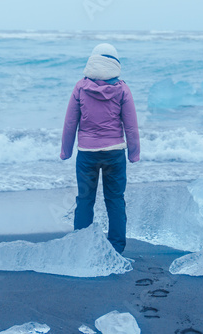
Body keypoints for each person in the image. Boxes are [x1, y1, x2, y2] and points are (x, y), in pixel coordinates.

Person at [60, 43, 140, 254]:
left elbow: (70, 122)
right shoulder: (122, 88)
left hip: (87, 154)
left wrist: (66, 151)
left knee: (85, 200)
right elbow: (130, 126)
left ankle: (80, 247)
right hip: (115, 153)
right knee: (115, 199)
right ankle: (116, 249)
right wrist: (134, 153)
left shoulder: (80, 87)